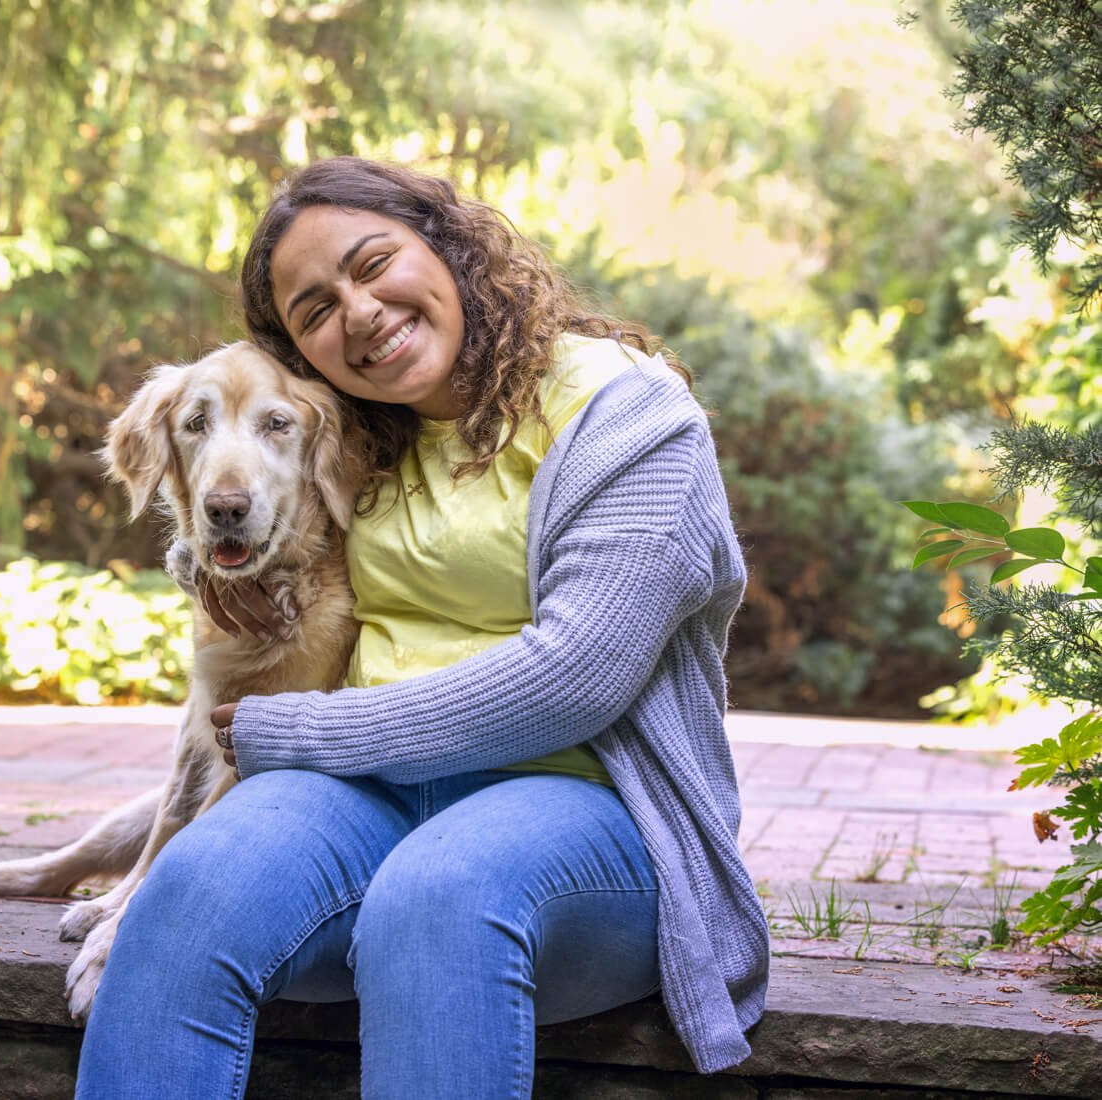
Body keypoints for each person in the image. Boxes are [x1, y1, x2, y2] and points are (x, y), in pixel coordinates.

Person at [74, 157, 768, 1099]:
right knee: (190, 889)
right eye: (314, 310)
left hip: (596, 811)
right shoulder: (358, 437)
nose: (355, 312)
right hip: (371, 801)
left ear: (448, 246)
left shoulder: (628, 415)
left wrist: (306, 733)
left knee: (436, 895)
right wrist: (201, 561)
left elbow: (576, 676)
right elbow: (247, 515)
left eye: (372, 264)